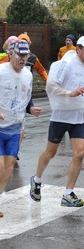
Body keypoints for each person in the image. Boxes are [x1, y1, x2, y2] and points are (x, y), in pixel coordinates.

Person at [29, 35, 84, 207]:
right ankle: (36, 179)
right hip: (61, 115)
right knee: (50, 153)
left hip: (79, 117)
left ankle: (68, 193)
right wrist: (70, 93)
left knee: (80, 153)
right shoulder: (66, 64)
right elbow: (51, 87)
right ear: (79, 49)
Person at [0, 40, 33, 218]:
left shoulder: (27, 74)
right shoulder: (1, 71)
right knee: (0, 165)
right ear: (11, 54)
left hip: (15, 127)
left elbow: (26, 96)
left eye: (25, 55)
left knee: (9, 168)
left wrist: (30, 109)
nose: (23, 59)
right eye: (20, 55)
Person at [17, 33, 45, 159]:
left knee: (21, 122)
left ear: (29, 44)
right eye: (21, 42)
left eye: (25, 42)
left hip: (25, 92)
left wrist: (49, 83)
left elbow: (41, 71)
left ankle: (16, 149)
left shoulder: (33, 58)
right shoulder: (10, 56)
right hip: (10, 93)